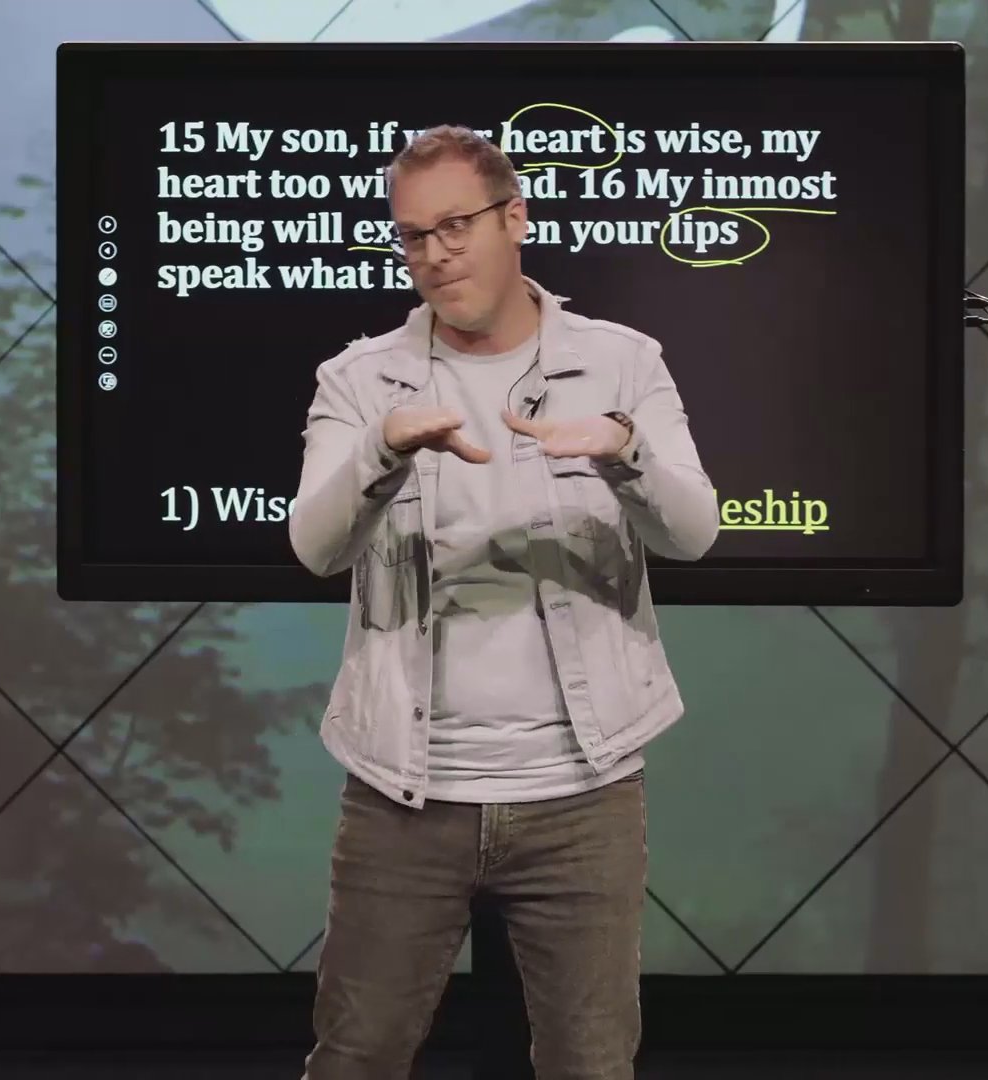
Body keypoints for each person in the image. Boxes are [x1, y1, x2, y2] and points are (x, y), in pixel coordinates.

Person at [287, 124, 720, 1080]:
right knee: (356, 1057)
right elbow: (315, 548)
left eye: (456, 226)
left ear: (514, 218)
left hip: (582, 790)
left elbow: (694, 532)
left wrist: (623, 452)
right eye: (413, 235)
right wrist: (382, 450)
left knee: (590, 1064)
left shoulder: (622, 364)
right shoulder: (361, 381)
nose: (435, 254)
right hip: (404, 791)